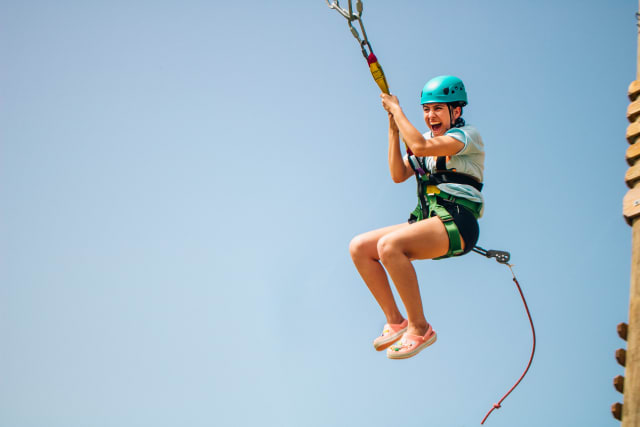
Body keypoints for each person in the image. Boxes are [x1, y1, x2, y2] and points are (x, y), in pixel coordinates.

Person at [349, 75, 485, 359]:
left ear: (455, 111)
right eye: (426, 109)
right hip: (429, 220)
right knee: (360, 247)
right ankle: (396, 321)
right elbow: (399, 175)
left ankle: (419, 328)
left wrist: (398, 111)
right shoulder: (422, 139)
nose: (430, 115)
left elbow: (422, 149)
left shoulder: (465, 136)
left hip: (458, 222)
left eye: (438, 109)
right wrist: (393, 129)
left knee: (389, 246)